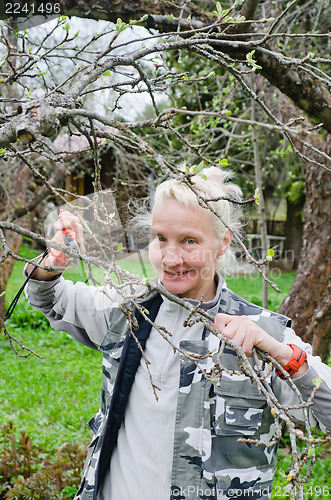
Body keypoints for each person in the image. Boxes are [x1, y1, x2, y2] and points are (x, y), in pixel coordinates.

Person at [25, 168, 331, 500]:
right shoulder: (126, 309)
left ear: (223, 240)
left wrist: (285, 356)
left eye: (189, 241)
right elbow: (50, 297)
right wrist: (53, 260)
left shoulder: (262, 334)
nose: (171, 258)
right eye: (160, 238)